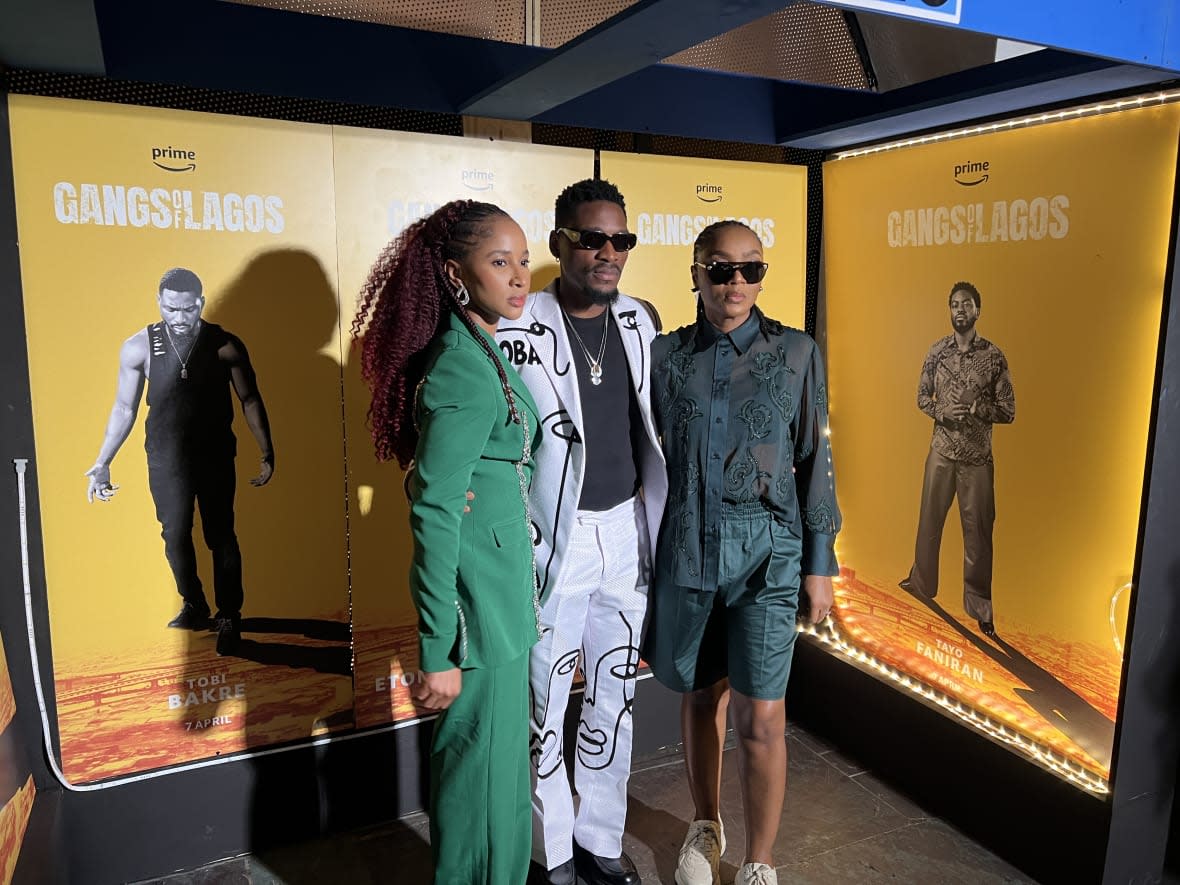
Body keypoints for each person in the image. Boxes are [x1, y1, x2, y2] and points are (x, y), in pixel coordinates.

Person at [645, 220, 840, 885]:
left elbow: (816, 458)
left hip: (770, 555)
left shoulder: (797, 353)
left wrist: (821, 560)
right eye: (720, 268)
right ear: (695, 273)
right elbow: (647, 456)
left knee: (762, 714)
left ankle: (760, 860)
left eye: (749, 269)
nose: (735, 283)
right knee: (703, 698)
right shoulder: (664, 357)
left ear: (762, 274)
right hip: (689, 550)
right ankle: (705, 825)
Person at [353, 199, 541, 885]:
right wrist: (439, 651)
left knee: (499, 794)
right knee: (476, 801)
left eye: (522, 260)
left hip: (502, 614)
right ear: (455, 273)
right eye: (500, 262)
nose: (519, 276)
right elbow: (435, 512)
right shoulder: (462, 364)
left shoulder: (480, 349)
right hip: (477, 628)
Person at [496, 179, 666, 885]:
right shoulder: (517, 323)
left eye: (620, 240)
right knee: (544, 700)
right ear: (561, 240)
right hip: (552, 542)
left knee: (613, 696)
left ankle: (600, 839)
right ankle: (553, 851)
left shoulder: (639, 321)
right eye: (592, 238)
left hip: (624, 533)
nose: (607, 253)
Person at [85, 267, 274, 656]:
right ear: (160, 304)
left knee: (220, 535)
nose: (180, 317)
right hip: (165, 458)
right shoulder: (139, 347)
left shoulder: (224, 345)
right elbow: (124, 407)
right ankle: (195, 603)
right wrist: (103, 460)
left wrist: (267, 449)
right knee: (174, 534)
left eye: (188, 309)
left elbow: (250, 399)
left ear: (200, 304)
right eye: (172, 309)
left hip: (216, 455)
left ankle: (229, 615)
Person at [899, 281, 1015, 637]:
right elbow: (921, 396)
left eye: (966, 303)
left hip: (976, 460)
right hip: (941, 452)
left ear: (977, 310)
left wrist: (978, 407)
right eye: (954, 304)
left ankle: (980, 607)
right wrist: (942, 412)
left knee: (978, 534)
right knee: (929, 522)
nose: (959, 309)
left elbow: (1008, 411)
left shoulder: (993, 356)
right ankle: (921, 582)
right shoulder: (937, 352)